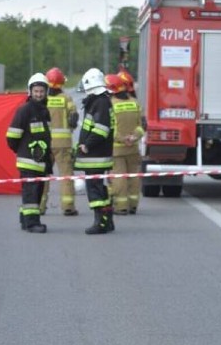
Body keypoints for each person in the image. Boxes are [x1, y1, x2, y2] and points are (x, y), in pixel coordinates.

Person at [6, 73, 52, 233]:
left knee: (37, 192)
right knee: (31, 192)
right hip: (28, 161)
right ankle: (32, 223)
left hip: (42, 162)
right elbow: (12, 136)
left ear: (46, 92)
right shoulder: (24, 110)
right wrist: (22, 151)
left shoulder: (45, 111)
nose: (39, 94)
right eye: (36, 91)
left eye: (41, 91)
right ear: (30, 92)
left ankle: (25, 219)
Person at [75, 68, 116, 235]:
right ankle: (107, 221)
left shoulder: (100, 102)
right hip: (97, 155)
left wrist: (87, 145)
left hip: (95, 155)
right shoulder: (101, 101)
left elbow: (101, 128)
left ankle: (100, 223)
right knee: (99, 187)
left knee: (95, 189)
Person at [40, 67, 80, 216]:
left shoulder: (42, 98)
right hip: (63, 144)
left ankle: (40, 206)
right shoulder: (66, 99)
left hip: (44, 144)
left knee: (43, 176)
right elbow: (74, 118)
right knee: (66, 175)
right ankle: (68, 206)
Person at [106, 73, 145, 215]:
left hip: (117, 149)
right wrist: (134, 137)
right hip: (133, 147)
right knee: (134, 176)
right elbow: (142, 125)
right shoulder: (135, 102)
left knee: (119, 177)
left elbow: (111, 129)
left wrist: (123, 139)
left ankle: (121, 206)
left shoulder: (111, 104)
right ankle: (133, 204)